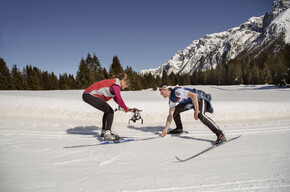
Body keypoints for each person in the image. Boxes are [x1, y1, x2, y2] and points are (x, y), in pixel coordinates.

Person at [159, 83, 226, 144]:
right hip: (190, 102)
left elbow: (194, 95)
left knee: (200, 115)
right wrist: (165, 129)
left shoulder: (177, 92)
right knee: (175, 111)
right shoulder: (171, 99)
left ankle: (220, 134)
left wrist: (196, 111)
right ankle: (179, 128)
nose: (160, 93)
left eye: (161, 91)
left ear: (166, 89)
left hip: (199, 98)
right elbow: (170, 115)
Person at [82, 73, 131, 141]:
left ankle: (104, 131)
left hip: (87, 95)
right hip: (90, 95)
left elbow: (116, 98)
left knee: (107, 110)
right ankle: (107, 134)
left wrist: (125, 107)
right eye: (127, 84)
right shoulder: (116, 85)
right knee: (110, 111)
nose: (126, 87)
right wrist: (125, 108)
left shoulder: (114, 83)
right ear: (123, 81)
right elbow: (119, 98)